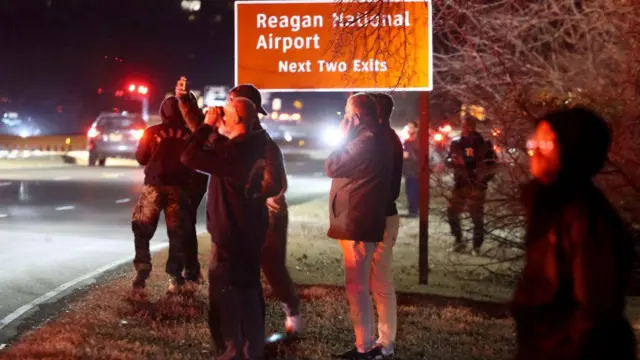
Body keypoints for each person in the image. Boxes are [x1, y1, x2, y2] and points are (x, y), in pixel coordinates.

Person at [176, 82, 301, 336]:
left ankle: (290, 313)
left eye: (230, 106)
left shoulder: (262, 146)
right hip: (234, 220)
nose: (223, 111)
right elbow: (201, 133)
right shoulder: (230, 138)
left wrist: (251, 194)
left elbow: (275, 185)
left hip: (265, 212)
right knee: (228, 275)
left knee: (270, 267)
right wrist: (185, 101)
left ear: (244, 113)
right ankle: (236, 335)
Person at [512, 108, 637, 360]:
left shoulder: (583, 218)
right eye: (535, 141)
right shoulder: (549, 208)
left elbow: (594, 312)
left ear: (572, 151)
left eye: (546, 143)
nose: (534, 150)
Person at [326, 93, 393, 360]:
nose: (343, 119)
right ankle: (366, 345)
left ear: (354, 117)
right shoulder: (374, 140)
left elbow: (331, 165)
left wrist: (342, 138)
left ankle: (364, 348)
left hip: (357, 222)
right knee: (360, 286)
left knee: (356, 287)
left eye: (346, 114)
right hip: (361, 220)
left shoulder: (364, 143)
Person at [131, 96, 193, 294]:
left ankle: (142, 269)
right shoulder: (190, 133)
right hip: (180, 187)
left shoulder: (151, 132)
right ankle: (175, 278)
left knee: (142, 228)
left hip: (154, 185)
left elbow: (141, 158)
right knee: (177, 232)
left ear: (162, 112)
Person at [369, 92, 402, 358]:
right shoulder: (386, 138)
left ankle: (385, 343)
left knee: (380, 283)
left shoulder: (383, 141)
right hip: (378, 216)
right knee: (372, 282)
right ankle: (374, 341)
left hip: (379, 217)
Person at [445, 116, 497, 255]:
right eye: (464, 126)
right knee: (452, 212)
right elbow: (448, 159)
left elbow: (491, 164)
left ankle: (477, 246)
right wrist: (452, 161)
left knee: (476, 217)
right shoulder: (456, 143)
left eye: (469, 125)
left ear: (474, 126)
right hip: (460, 184)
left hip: (476, 185)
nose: (466, 128)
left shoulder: (483, 144)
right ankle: (458, 240)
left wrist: (481, 178)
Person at [402, 121, 419, 216]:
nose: (409, 130)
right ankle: (412, 209)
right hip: (408, 171)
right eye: (408, 127)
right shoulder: (407, 141)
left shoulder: (417, 141)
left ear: (416, 129)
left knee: (413, 191)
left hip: (415, 171)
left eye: (411, 127)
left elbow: (418, 156)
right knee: (410, 191)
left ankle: (414, 211)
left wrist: (407, 155)